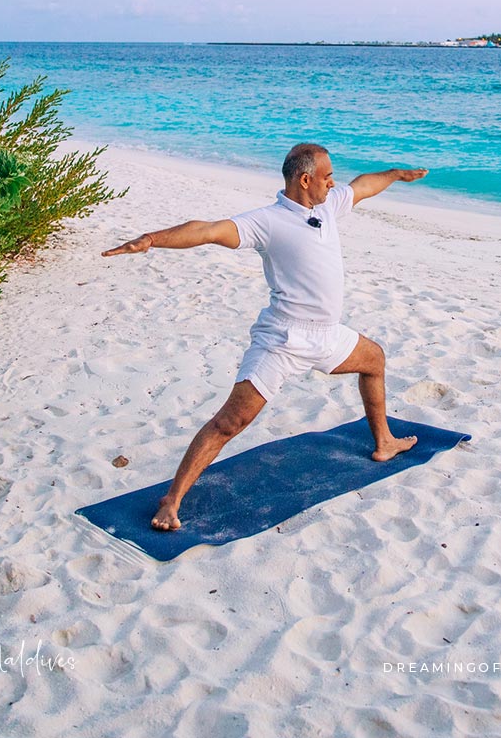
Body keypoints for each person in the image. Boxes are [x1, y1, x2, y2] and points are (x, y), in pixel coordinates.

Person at [102, 143, 428, 531]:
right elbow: (207, 230)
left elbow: (362, 186)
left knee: (373, 360)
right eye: (326, 177)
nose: (333, 183)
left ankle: (384, 442)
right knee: (230, 422)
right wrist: (152, 239)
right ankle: (171, 501)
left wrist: (394, 175)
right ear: (305, 180)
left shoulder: (326, 206)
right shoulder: (268, 221)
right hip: (284, 339)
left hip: (328, 335)